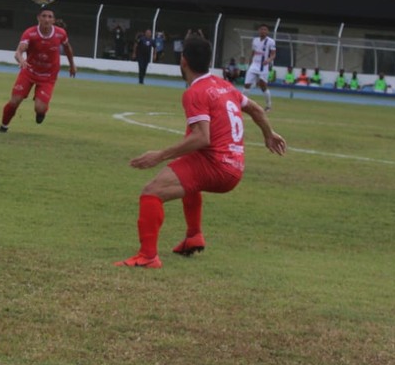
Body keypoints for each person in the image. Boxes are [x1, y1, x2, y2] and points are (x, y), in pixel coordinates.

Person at [115, 32, 286, 269]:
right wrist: (269, 134)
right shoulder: (224, 85)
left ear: (183, 60)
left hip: (216, 166)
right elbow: (256, 110)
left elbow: (201, 137)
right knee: (187, 167)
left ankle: (148, 257)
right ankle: (194, 235)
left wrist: (159, 155)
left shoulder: (195, 92)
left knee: (151, 192)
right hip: (235, 166)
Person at [0, 6, 76, 132]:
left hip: (48, 76)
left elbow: (67, 48)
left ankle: (41, 111)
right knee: (14, 101)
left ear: (54, 20)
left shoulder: (60, 33)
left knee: (39, 108)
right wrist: (21, 60)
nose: (46, 19)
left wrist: (72, 65)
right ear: (38, 18)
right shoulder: (30, 33)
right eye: (44, 16)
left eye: (50, 17)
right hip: (29, 71)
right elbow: (18, 51)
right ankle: (3, 127)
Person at [242, 24, 276, 111]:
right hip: (254, 65)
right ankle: (242, 104)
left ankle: (268, 105)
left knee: (263, 85)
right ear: (259, 30)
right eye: (261, 29)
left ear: (267, 32)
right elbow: (253, 53)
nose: (263, 31)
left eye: (265, 30)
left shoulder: (271, 41)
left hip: (263, 66)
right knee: (247, 84)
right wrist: (249, 64)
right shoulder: (255, 40)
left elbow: (273, 54)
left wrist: (268, 60)